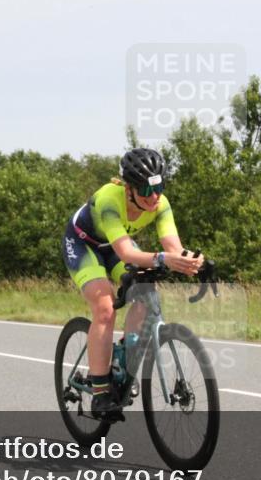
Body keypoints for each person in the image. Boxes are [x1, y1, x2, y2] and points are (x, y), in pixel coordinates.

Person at [62, 148, 202, 420]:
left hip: (114, 245)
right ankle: (100, 388)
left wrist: (196, 260)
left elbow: (174, 247)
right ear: (128, 188)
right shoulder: (109, 200)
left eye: (159, 187)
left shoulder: (161, 203)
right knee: (105, 308)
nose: (154, 197)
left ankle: (123, 359)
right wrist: (165, 259)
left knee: (146, 294)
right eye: (146, 191)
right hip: (83, 245)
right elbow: (127, 254)